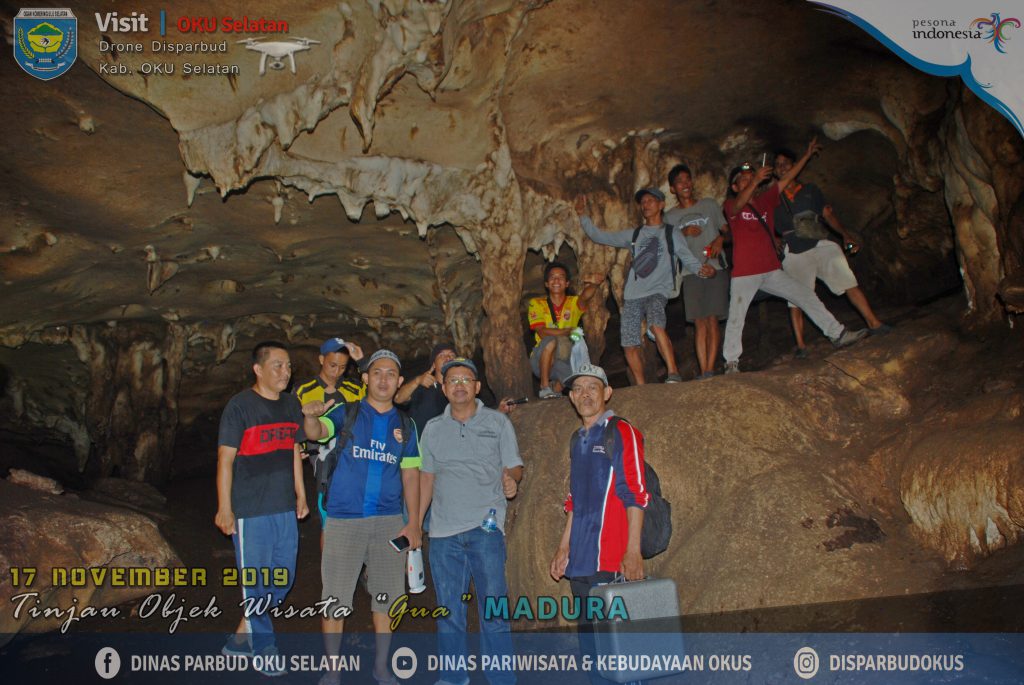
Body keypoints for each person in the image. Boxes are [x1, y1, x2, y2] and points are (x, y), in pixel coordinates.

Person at [301, 349, 421, 685]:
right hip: (344, 519)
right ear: (365, 378)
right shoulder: (347, 412)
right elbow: (316, 432)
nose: (383, 379)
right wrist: (310, 417)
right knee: (335, 597)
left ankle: (381, 666)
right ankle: (333, 670)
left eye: (391, 374)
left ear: (399, 382)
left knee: (387, 596)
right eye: (377, 372)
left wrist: (413, 522)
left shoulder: (406, 425)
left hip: (389, 521)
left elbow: (411, 474)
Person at [721, 138, 868, 374]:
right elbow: (738, 206)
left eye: (751, 177)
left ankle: (837, 334)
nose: (749, 181)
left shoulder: (765, 200)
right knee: (737, 315)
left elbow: (787, 179)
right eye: (743, 180)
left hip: (771, 270)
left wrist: (807, 155)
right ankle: (731, 362)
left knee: (804, 295)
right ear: (736, 187)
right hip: (745, 272)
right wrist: (756, 179)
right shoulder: (731, 205)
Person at [418, 357, 523, 685]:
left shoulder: (498, 423)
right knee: (449, 611)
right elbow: (426, 478)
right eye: (453, 380)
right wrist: (416, 523)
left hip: (485, 528)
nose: (459, 385)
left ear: (477, 387)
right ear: (444, 388)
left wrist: (511, 479)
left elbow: (514, 465)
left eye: (466, 379)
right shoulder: (433, 429)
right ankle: (453, 676)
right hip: (443, 532)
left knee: (493, 608)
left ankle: (501, 678)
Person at [549, 363, 647, 685]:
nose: (585, 394)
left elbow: (635, 492)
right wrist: (564, 548)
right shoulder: (577, 439)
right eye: (578, 389)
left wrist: (633, 551)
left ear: (607, 392)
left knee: (621, 654)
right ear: (571, 398)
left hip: (612, 562)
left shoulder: (620, 431)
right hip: (581, 564)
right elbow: (575, 500)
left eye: (593, 387)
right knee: (593, 652)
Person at [216, 341, 309, 677]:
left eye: (288, 366)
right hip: (250, 509)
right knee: (255, 582)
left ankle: (240, 637)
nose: (286, 372)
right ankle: (264, 648)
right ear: (258, 369)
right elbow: (225, 460)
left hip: (283, 505)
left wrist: (301, 493)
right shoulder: (240, 406)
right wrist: (224, 508)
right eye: (278, 366)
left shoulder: (290, 404)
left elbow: (294, 450)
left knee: (283, 577)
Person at [575, 190, 715, 384]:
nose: (646, 204)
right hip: (633, 294)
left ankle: (673, 373)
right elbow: (600, 236)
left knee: (656, 325)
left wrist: (703, 270)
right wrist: (582, 215)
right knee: (629, 343)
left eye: (651, 200)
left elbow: (687, 258)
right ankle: (641, 386)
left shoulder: (671, 233)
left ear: (661, 205)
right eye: (643, 202)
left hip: (658, 291)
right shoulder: (635, 234)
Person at [773, 148, 892, 359]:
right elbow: (763, 223)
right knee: (796, 298)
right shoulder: (772, 196)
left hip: (818, 243)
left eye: (786, 163)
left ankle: (874, 322)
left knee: (848, 282)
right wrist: (774, 240)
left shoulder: (810, 190)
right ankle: (801, 345)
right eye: (778, 165)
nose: (782, 168)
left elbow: (827, 214)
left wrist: (845, 235)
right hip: (794, 251)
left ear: (795, 166)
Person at [664, 164, 730, 379]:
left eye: (687, 179)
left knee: (712, 319)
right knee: (699, 322)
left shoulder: (709, 205)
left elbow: (728, 231)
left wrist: (720, 239)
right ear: (672, 188)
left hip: (715, 266)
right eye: (679, 182)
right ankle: (703, 371)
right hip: (690, 272)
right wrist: (682, 232)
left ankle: (710, 369)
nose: (685, 184)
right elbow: (666, 247)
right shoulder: (670, 218)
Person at [296, 337, 366, 539]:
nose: (337, 371)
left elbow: (375, 403)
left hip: (353, 458)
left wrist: (362, 363)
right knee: (329, 522)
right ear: (321, 360)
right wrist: (299, 446)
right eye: (332, 365)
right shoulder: (304, 390)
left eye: (343, 367)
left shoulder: (355, 389)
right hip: (322, 460)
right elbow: (294, 422)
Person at [526, 262, 602, 398]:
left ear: (567, 283)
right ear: (546, 284)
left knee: (577, 377)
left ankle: (555, 389)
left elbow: (585, 296)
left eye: (561, 277)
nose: (556, 280)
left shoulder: (573, 303)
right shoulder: (536, 304)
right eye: (552, 277)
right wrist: (567, 331)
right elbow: (542, 332)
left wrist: (595, 284)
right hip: (541, 359)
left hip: (564, 356)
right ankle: (544, 387)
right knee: (550, 340)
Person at [394, 342, 458, 435]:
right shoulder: (423, 385)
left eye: (452, 355)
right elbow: (398, 399)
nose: (448, 358)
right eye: (442, 355)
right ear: (434, 364)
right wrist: (417, 381)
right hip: (419, 441)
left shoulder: (460, 391)